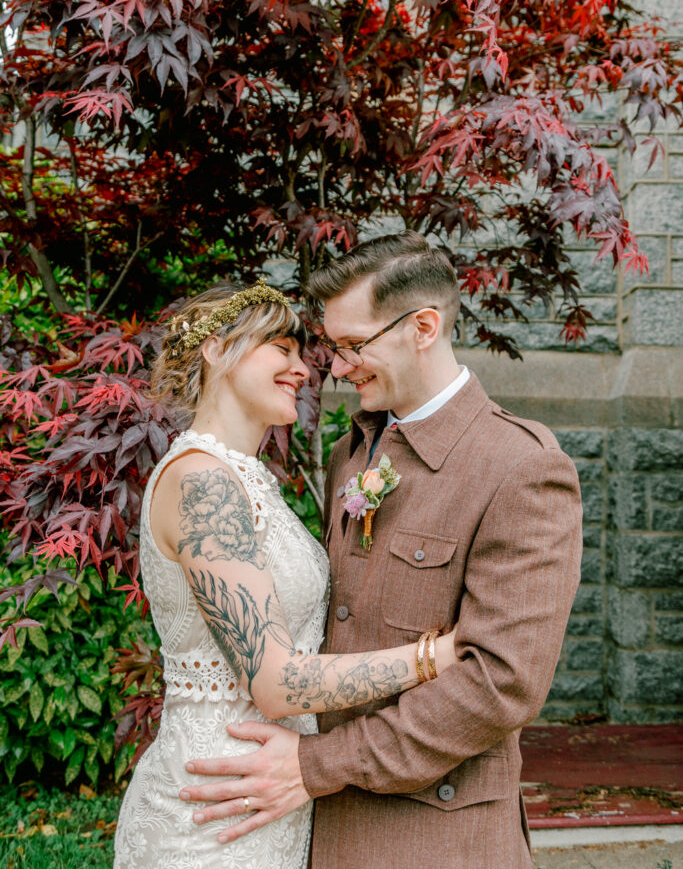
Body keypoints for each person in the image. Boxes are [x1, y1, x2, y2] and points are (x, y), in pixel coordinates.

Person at [179, 233, 584, 869]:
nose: (335, 368)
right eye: (333, 348)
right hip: (311, 824)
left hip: (432, 837)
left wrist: (318, 765)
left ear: (422, 326)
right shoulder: (350, 452)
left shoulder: (521, 467)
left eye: (352, 345)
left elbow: (502, 683)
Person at [113, 277, 459, 869]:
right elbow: (274, 682)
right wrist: (437, 656)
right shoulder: (203, 482)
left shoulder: (250, 481)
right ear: (216, 350)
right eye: (282, 348)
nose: (304, 370)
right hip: (214, 808)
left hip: (269, 794)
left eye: (303, 354)